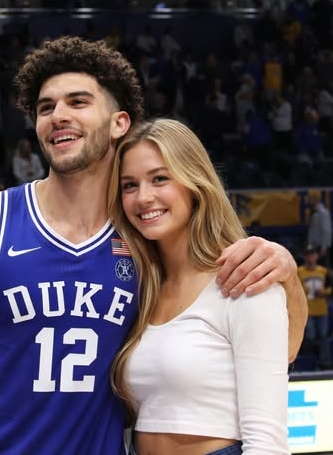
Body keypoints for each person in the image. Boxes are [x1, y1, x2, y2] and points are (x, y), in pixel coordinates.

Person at [0, 37, 306, 455]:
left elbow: (277, 349)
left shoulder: (145, 241)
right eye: (46, 108)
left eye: (78, 102)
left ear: (119, 122)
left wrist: (286, 274)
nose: (58, 116)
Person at [109, 118, 290, 455]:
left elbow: (267, 442)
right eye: (129, 185)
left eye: (159, 178)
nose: (143, 197)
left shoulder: (246, 278)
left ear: (194, 183)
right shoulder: (140, 290)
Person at [298, 244, 332, 369]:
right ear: (304, 256)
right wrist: (303, 291)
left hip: (322, 309)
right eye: (308, 255)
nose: (310, 257)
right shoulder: (299, 271)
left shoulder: (324, 271)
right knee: (310, 336)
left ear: (317, 256)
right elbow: (295, 290)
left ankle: (325, 363)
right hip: (307, 309)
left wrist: (324, 292)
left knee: (323, 336)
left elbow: (330, 288)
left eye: (312, 254)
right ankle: (310, 363)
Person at [307, 193, 332, 268]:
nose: (308, 202)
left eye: (310, 200)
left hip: (320, 246)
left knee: (323, 268)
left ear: (315, 200)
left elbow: (326, 231)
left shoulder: (323, 213)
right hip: (315, 246)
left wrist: (324, 247)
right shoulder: (315, 212)